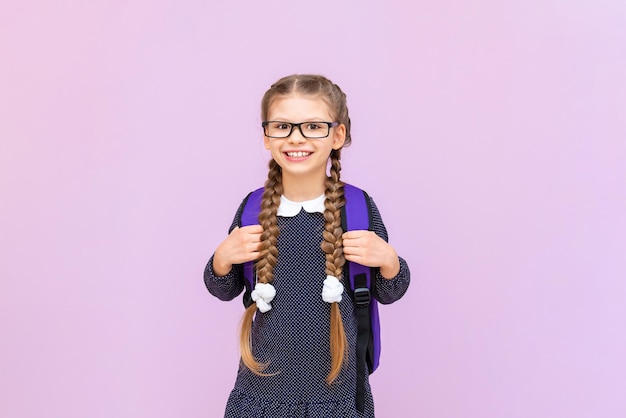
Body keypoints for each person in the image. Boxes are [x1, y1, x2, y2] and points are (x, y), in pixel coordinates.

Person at [204, 74, 410, 417]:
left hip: (337, 399)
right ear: (266, 136)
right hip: (260, 398)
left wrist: (390, 262)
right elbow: (224, 288)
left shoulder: (358, 208)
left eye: (313, 126)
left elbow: (389, 292)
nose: (296, 138)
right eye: (282, 126)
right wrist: (220, 261)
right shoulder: (252, 209)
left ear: (338, 135)